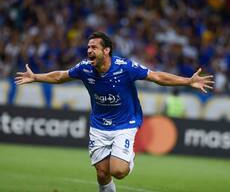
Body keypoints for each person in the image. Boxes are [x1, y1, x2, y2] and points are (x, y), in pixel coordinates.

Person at [15, 31, 214, 192]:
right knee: (102, 174)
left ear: (107, 50)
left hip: (125, 124)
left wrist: (188, 81)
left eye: (94, 47)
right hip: (99, 125)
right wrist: (36, 77)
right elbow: (61, 76)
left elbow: (157, 77)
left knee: (118, 171)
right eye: (88, 47)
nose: (89, 50)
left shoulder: (125, 67)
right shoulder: (84, 68)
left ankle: (128, 157)